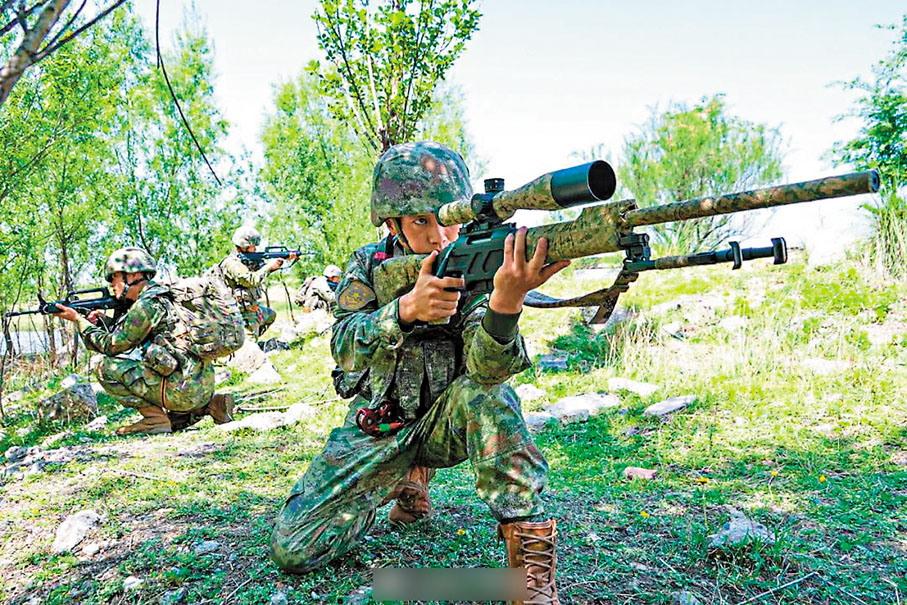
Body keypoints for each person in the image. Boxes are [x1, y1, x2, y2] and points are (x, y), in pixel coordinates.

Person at [270, 142, 569, 603]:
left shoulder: (479, 266)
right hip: (379, 425)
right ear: (392, 224)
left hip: (443, 425)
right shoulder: (370, 265)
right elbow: (343, 347)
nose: (439, 236)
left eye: (448, 218)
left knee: (488, 395)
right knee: (294, 550)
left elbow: (488, 371)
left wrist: (504, 304)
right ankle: (396, 481)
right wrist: (403, 310)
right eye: (420, 222)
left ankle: (529, 569)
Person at [55, 247, 233, 435]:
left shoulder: (146, 304)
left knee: (104, 367)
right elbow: (133, 332)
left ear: (132, 276)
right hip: (202, 387)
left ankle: (154, 420)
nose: (112, 287)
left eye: (114, 279)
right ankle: (211, 406)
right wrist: (103, 321)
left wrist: (78, 320)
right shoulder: (166, 294)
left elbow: (111, 346)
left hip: (182, 392)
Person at [218, 226, 294, 341]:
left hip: (251, 308)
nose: (255, 249)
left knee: (270, 315)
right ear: (243, 247)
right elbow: (249, 280)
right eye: (253, 246)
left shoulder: (249, 261)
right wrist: (269, 267)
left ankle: (250, 339)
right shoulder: (231, 263)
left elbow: (262, 271)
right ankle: (244, 343)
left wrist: (280, 261)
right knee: (249, 347)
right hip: (238, 313)